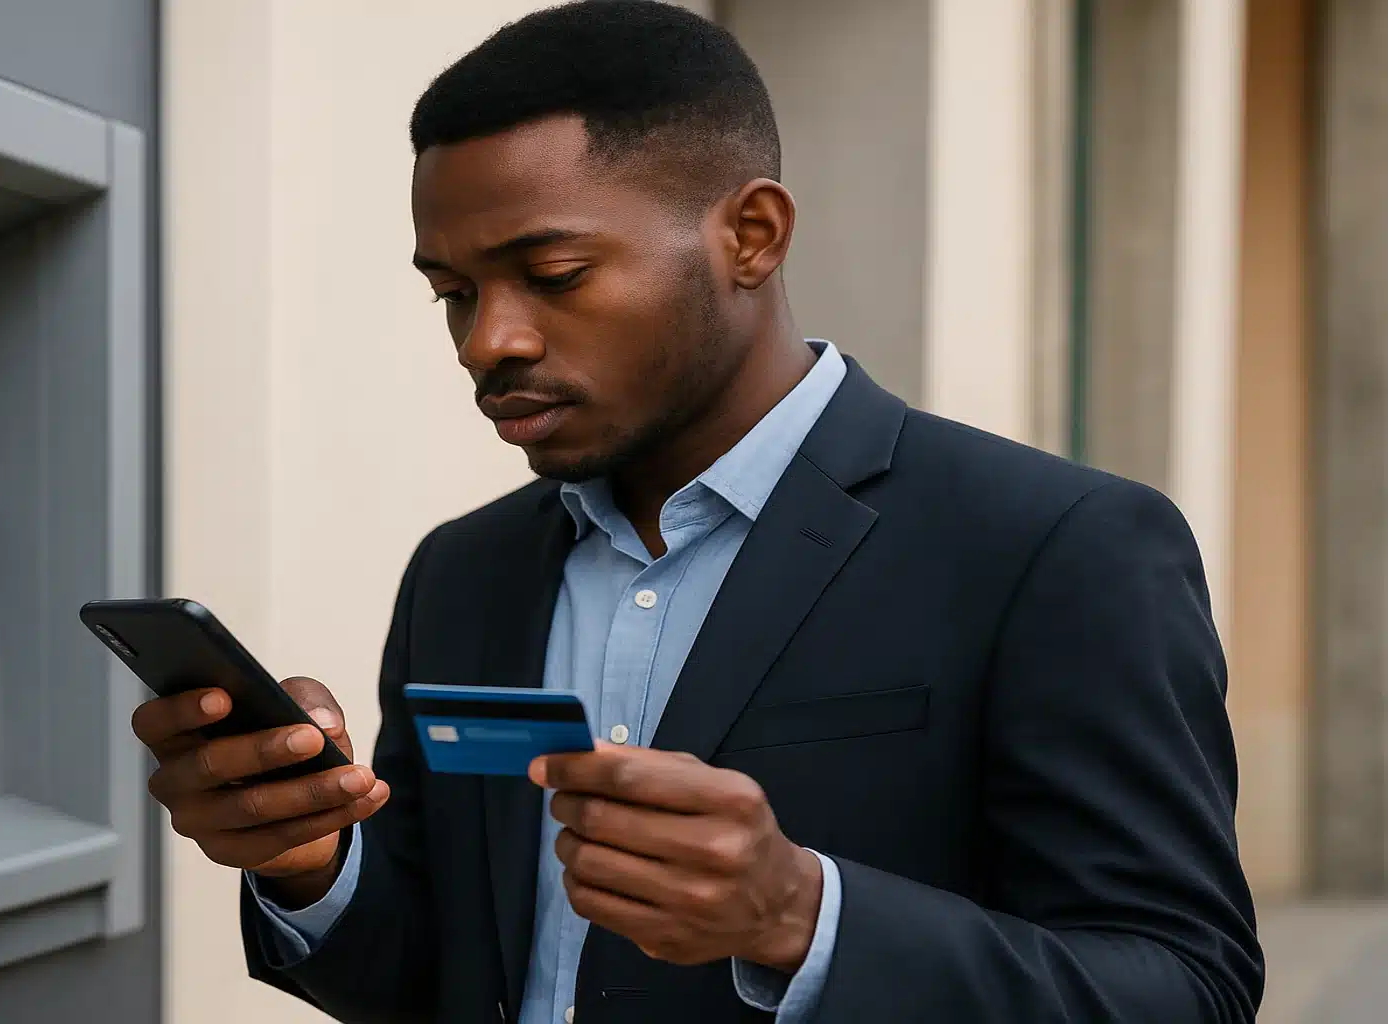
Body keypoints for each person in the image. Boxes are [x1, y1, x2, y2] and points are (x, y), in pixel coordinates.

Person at [131, 3, 1265, 1021]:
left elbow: (1182, 986)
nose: (489, 341)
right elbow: (443, 972)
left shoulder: (1055, 545)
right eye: (454, 293)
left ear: (752, 235)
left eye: (556, 273)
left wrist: (805, 918)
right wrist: (312, 861)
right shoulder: (462, 573)